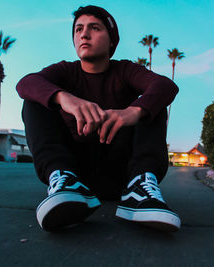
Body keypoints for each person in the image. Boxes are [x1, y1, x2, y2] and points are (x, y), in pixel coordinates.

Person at [16, 5, 181, 232]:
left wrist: (132, 111)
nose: (84, 34)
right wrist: (63, 97)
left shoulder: (124, 70)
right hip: (76, 173)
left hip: (121, 174)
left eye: (95, 28)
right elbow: (26, 83)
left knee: (152, 103)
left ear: (111, 40)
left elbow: (165, 86)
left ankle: (140, 188)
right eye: (78, 29)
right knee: (35, 99)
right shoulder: (65, 71)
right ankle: (64, 181)